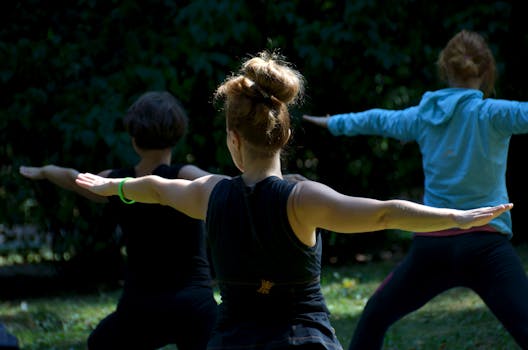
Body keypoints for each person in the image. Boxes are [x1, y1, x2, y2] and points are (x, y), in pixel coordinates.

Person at [74, 50, 513, 350]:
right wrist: (458, 216)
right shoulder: (302, 200)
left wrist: (112, 188)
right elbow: (385, 213)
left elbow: (154, 188)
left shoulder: (210, 194)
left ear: (233, 139)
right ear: (284, 135)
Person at [303, 29, 528, 349]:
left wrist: (333, 122)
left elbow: (378, 120)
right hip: (485, 247)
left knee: (374, 316)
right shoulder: (492, 113)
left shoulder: (425, 116)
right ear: (486, 70)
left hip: (432, 248)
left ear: (445, 69)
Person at [19, 91, 218, 350]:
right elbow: (223, 187)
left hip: (141, 305)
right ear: (177, 136)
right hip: (194, 304)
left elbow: (73, 178)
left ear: (134, 140)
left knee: (100, 342)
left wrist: (46, 171)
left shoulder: (114, 182)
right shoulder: (184, 175)